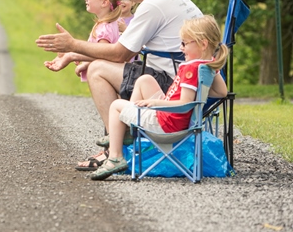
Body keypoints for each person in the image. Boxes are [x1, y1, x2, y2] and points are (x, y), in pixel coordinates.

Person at [35, 0, 225, 171]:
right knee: (110, 68)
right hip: (192, 84)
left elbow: (119, 54)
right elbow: (119, 52)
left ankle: (116, 148)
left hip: (176, 86)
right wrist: (72, 55)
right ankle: (120, 140)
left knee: (98, 70)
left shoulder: (152, 5)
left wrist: (72, 45)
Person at [90, 15, 229, 180]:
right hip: (174, 119)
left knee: (116, 106)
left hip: (166, 124)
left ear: (203, 44)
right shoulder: (204, 66)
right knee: (144, 80)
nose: (181, 48)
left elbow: (184, 103)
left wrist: (155, 102)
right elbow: (222, 93)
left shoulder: (191, 68)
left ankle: (115, 157)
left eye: (184, 43)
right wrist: (210, 71)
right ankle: (128, 129)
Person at [44, 0, 123, 81]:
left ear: (104, 2)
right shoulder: (109, 24)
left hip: (106, 80)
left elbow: (103, 54)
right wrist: (71, 53)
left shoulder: (105, 28)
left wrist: (75, 56)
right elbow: (98, 52)